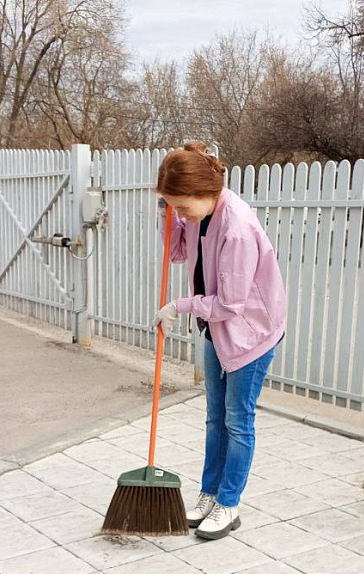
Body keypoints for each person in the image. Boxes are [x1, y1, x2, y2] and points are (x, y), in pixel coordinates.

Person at [154, 142, 287, 540]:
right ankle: (209, 494)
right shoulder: (200, 213)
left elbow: (230, 304)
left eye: (182, 206)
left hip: (251, 332)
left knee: (237, 421)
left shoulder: (237, 228)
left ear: (204, 192)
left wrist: (179, 306)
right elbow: (177, 253)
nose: (182, 214)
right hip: (217, 328)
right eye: (175, 207)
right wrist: (166, 213)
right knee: (215, 417)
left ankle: (229, 504)